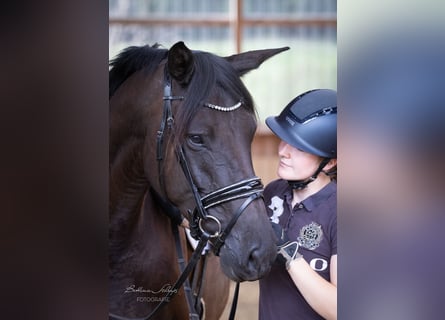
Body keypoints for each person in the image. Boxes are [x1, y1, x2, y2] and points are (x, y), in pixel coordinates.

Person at [258, 89, 337, 320]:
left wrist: (289, 253)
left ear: (330, 162)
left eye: (299, 147)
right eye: (285, 141)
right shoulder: (273, 192)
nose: (282, 151)